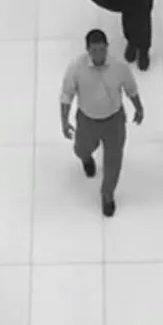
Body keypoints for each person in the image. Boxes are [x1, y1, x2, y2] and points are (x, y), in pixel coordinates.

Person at [60, 29, 144, 216]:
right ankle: (86, 157)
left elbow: (131, 89)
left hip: (113, 120)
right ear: (87, 49)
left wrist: (138, 107)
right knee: (81, 148)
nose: (98, 54)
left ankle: (107, 194)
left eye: (102, 49)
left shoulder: (119, 67)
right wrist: (64, 121)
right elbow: (67, 95)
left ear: (107, 47)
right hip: (87, 119)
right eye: (94, 50)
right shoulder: (76, 67)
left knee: (114, 159)